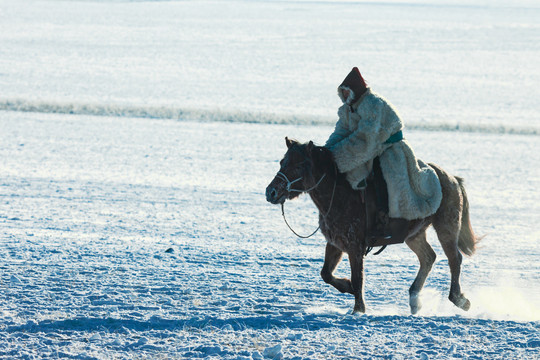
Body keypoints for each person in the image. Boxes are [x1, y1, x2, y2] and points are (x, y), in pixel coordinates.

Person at [325, 67, 442, 242]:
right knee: (349, 178)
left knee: (385, 178)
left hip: (389, 149)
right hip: (369, 150)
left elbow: (365, 138)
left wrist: (341, 156)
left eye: (347, 91)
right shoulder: (347, 110)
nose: (345, 95)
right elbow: (340, 132)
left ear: (356, 90)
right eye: (343, 92)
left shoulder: (373, 105)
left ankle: (384, 218)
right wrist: (327, 152)